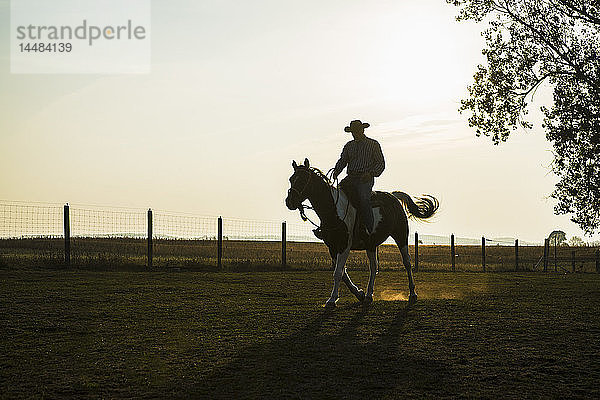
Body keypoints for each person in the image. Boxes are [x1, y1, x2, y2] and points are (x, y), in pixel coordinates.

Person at [332, 119, 385, 237]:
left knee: (363, 199)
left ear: (362, 130)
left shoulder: (373, 144)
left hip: (364, 179)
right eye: (353, 132)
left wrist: (370, 173)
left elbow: (380, 163)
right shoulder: (349, 146)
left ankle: (368, 229)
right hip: (350, 177)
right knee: (336, 196)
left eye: (356, 131)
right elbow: (343, 160)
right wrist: (336, 171)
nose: (354, 134)